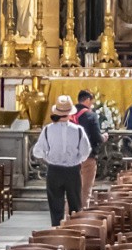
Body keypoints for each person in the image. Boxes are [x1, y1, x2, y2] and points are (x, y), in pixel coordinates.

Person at [31, 95, 91, 226]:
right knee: (75, 206)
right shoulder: (78, 130)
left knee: (55, 206)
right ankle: (74, 233)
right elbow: (85, 151)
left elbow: (37, 151)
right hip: (73, 171)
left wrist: (47, 157)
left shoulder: (48, 130)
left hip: (54, 171)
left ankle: (56, 232)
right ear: (70, 114)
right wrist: (77, 160)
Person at [71, 90, 103, 207]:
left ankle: (68, 218)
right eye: (91, 101)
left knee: (72, 190)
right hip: (88, 157)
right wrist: (103, 137)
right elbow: (96, 137)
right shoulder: (91, 115)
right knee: (85, 190)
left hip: (71, 158)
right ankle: (82, 218)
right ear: (88, 100)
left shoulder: (69, 114)